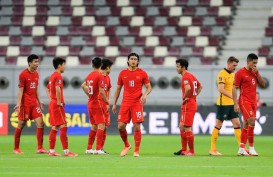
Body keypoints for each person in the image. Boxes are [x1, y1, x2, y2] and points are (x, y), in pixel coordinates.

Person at [112, 53, 152, 157]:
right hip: (125, 103)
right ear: (128, 60)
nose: (133, 61)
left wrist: (145, 95)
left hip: (137, 103)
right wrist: (114, 103)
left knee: (137, 126)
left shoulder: (142, 73)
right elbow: (118, 89)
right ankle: (127, 145)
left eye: (135, 59)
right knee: (120, 126)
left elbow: (149, 87)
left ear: (138, 61)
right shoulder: (122, 73)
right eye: (131, 59)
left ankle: (136, 151)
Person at [13, 54, 47, 154]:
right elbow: (20, 91)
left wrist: (39, 101)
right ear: (30, 63)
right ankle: (16, 148)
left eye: (38, 61)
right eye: (35, 62)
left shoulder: (36, 74)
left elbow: (36, 89)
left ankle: (40, 148)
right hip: (25, 104)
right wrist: (18, 104)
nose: (37, 64)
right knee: (21, 124)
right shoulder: (22, 74)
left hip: (34, 103)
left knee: (41, 123)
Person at [233, 53, 265, 156]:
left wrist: (258, 73)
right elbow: (234, 88)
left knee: (246, 123)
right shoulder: (240, 73)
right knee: (252, 120)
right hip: (244, 100)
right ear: (248, 62)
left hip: (253, 101)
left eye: (256, 63)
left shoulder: (255, 72)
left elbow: (263, 85)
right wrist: (235, 103)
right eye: (254, 63)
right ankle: (251, 148)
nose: (255, 65)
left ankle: (241, 148)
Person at [209, 56, 241, 156]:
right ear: (228, 64)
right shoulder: (221, 74)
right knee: (218, 125)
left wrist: (236, 102)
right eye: (234, 65)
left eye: (236, 65)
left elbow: (233, 88)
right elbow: (221, 89)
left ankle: (242, 148)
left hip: (232, 104)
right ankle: (212, 149)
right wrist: (233, 96)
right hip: (223, 104)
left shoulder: (233, 74)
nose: (235, 67)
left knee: (237, 124)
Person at [46, 57, 78, 157]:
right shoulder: (58, 76)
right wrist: (59, 102)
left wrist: (51, 99)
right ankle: (66, 152)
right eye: (64, 64)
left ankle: (51, 151)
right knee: (63, 125)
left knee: (55, 126)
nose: (65, 66)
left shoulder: (52, 76)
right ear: (59, 65)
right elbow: (58, 89)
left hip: (53, 103)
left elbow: (47, 89)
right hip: (57, 104)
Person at [173, 59, 202, 156]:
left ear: (183, 67)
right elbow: (200, 86)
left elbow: (188, 88)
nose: (176, 68)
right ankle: (183, 149)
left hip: (188, 105)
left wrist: (185, 97)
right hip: (191, 103)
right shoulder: (191, 75)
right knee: (181, 125)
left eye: (178, 66)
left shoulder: (185, 77)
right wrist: (194, 97)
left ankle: (192, 152)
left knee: (187, 128)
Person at [82, 57, 109, 155]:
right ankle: (98, 149)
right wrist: (107, 102)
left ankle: (89, 148)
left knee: (94, 126)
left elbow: (83, 86)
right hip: (97, 103)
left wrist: (89, 95)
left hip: (90, 103)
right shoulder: (100, 76)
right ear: (101, 65)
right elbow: (101, 91)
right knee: (101, 125)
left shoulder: (89, 76)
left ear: (92, 65)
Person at [100, 59, 114, 154]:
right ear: (107, 67)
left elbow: (108, 89)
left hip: (105, 105)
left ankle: (100, 148)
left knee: (105, 127)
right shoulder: (99, 77)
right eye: (110, 67)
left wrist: (108, 102)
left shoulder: (107, 78)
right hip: (99, 104)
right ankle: (96, 148)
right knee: (99, 126)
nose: (111, 69)